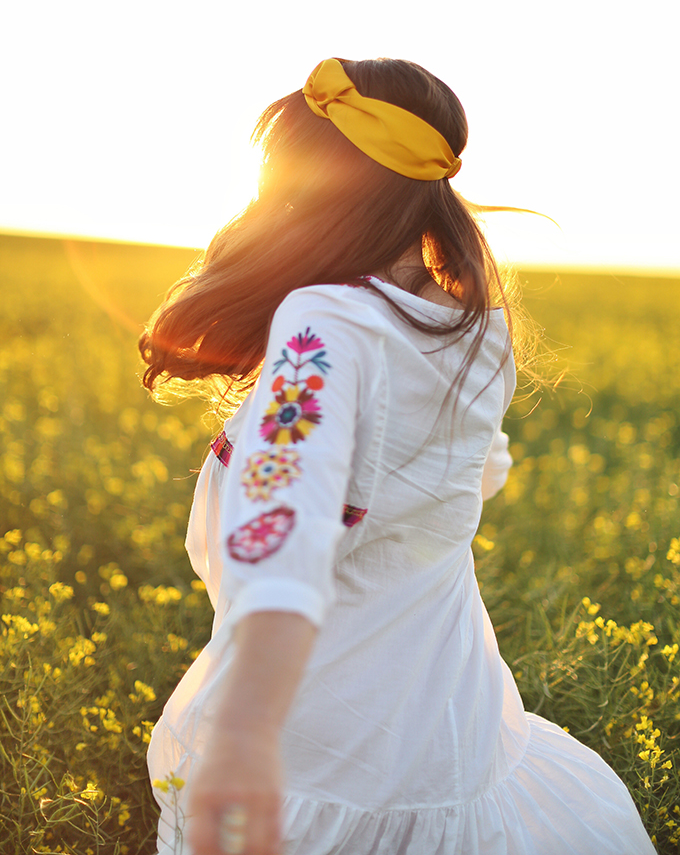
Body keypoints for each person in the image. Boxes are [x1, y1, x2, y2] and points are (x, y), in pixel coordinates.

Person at [140, 57, 655, 855]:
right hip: (451, 728)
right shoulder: (478, 328)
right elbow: (472, 466)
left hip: (319, 750)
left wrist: (242, 734)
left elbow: (284, 522)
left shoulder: (327, 323)